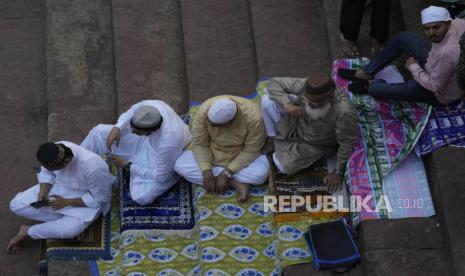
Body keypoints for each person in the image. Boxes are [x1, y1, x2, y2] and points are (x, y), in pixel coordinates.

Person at [338, 6, 465, 105]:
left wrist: (414, 67)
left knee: (381, 90)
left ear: (447, 24)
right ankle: (367, 72)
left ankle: (372, 85)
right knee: (403, 38)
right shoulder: (458, 23)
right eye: (427, 28)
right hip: (433, 65)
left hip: (439, 93)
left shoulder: (447, 53)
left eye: (436, 27)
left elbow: (434, 86)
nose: (431, 33)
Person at [7, 142, 114, 254]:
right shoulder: (56, 149)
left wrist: (67, 202)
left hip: (85, 199)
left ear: (66, 162)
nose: (51, 170)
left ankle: (28, 231)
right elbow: (46, 172)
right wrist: (43, 190)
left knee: (70, 230)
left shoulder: (93, 168)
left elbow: (102, 198)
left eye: (53, 169)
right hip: (60, 187)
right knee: (16, 205)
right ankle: (62, 221)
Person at [261, 73, 358, 194]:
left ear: (329, 97)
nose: (309, 103)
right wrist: (287, 104)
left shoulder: (344, 111)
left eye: (315, 102)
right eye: (307, 99)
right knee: (267, 101)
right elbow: (272, 82)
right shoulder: (304, 85)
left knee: (281, 166)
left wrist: (338, 171)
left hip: (315, 143)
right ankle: (272, 138)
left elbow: (347, 143)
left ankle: (279, 143)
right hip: (296, 122)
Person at [81, 100, 191, 206]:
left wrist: (128, 166)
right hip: (144, 141)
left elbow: (161, 176)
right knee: (98, 132)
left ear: (148, 131)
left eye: (136, 130)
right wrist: (117, 127)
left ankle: (173, 175)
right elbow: (132, 111)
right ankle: (78, 164)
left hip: (160, 156)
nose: (131, 130)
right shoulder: (152, 105)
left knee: (140, 196)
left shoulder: (168, 143)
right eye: (131, 125)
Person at [174, 96, 269, 202]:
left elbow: (251, 150)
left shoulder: (254, 118)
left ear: (231, 122)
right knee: (179, 166)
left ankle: (223, 177)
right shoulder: (204, 112)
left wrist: (227, 173)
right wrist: (207, 173)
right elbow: (200, 144)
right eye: (210, 122)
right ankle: (236, 183)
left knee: (260, 175)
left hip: (240, 155)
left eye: (215, 125)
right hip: (212, 151)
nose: (210, 125)